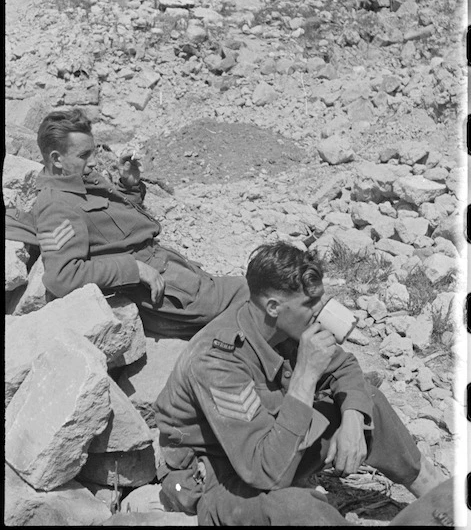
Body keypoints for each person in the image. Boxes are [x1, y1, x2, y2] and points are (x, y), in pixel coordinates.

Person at [154, 241, 448, 526]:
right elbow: (264, 474)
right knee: (299, 510)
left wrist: (354, 421)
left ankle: (440, 498)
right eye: (310, 303)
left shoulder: (286, 322)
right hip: (222, 477)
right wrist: (306, 373)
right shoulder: (216, 361)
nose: (320, 310)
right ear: (273, 307)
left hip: (276, 442)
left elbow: (344, 367)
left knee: (365, 399)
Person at [25, 107, 249, 338]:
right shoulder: (55, 205)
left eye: (94, 152)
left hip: (170, 268)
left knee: (259, 298)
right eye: (84, 155)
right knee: (257, 294)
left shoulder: (79, 179)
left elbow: (115, 226)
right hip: (161, 289)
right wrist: (134, 269)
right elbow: (62, 277)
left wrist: (128, 186)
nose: (93, 162)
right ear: (56, 159)